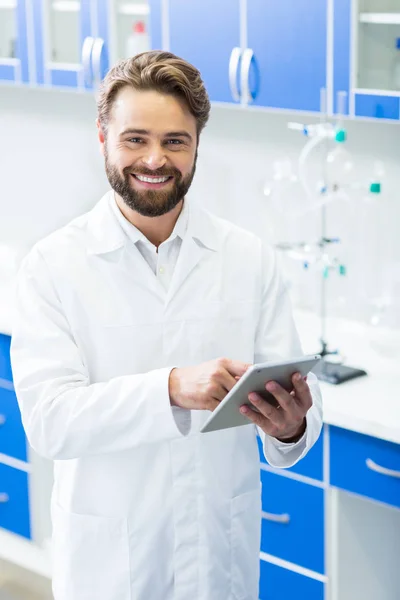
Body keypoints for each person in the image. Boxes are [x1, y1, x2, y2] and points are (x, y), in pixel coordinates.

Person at [11, 51, 322, 600]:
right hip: (110, 568)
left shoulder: (248, 260)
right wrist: (173, 388)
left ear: (198, 144)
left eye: (175, 141)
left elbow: (299, 415)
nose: (155, 159)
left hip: (217, 560)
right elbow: (49, 422)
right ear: (103, 139)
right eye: (135, 139)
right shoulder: (53, 266)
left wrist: (291, 426)